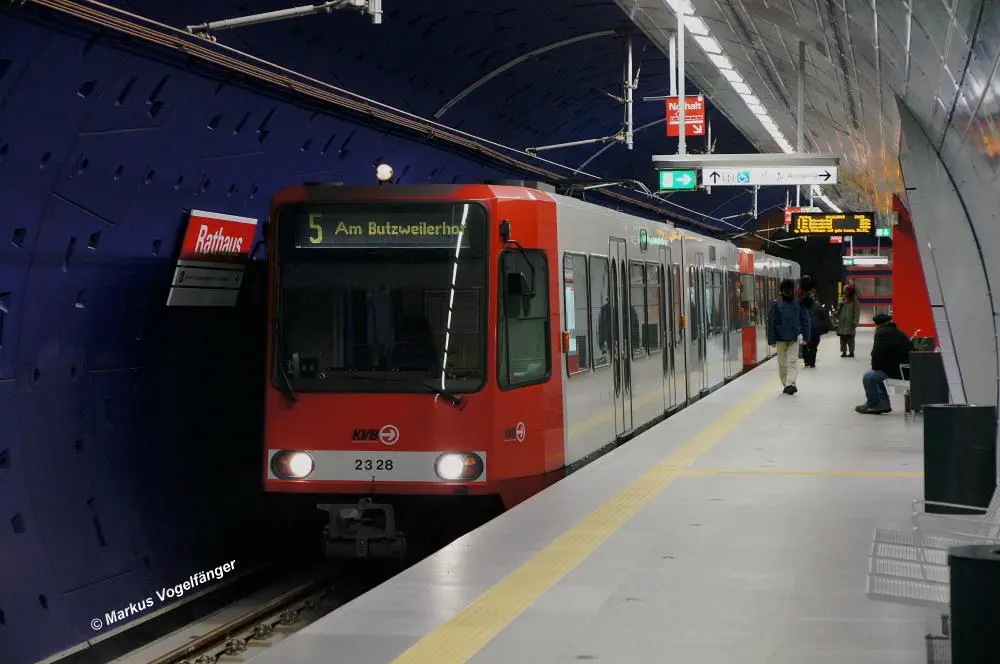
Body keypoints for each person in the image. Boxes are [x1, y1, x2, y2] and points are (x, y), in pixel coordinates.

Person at [856, 313, 913, 414]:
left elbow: (877, 353)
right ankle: (883, 404)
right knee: (876, 375)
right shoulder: (897, 332)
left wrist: (875, 367)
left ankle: (873, 403)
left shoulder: (881, 333)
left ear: (877, 324)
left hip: (897, 370)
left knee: (868, 377)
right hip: (904, 368)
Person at [767, 278, 811, 395]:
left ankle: (789, 384)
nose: (787, 291)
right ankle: (787, 384)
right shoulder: (776, 304)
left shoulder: (798, 303)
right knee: (783, 363)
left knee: (791, 361)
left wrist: (806, 337)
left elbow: (805, 320)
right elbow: (771, 322)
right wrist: (771, 339)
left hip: (793, 337)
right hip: (781, 338)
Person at [799, 288, 832, 367]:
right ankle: (812, 362)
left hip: (804, 329)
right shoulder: (817, 305)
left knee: (805, 345)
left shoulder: (801, 305)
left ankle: (806, 361)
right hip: (815, 329)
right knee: (813, 346)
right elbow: (824, 315)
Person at [837, 285, 861, 357]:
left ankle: (851, 352)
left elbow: (857, 311)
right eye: (844, 290)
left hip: (850, 322)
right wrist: (839, 307)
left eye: (846, 290)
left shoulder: (854, 300)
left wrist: (856, 321)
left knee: (850, 337)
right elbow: (839, 311)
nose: (844, 292)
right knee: (842, 338)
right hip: (842, 322)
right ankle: (843, 352)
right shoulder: (843, 299)